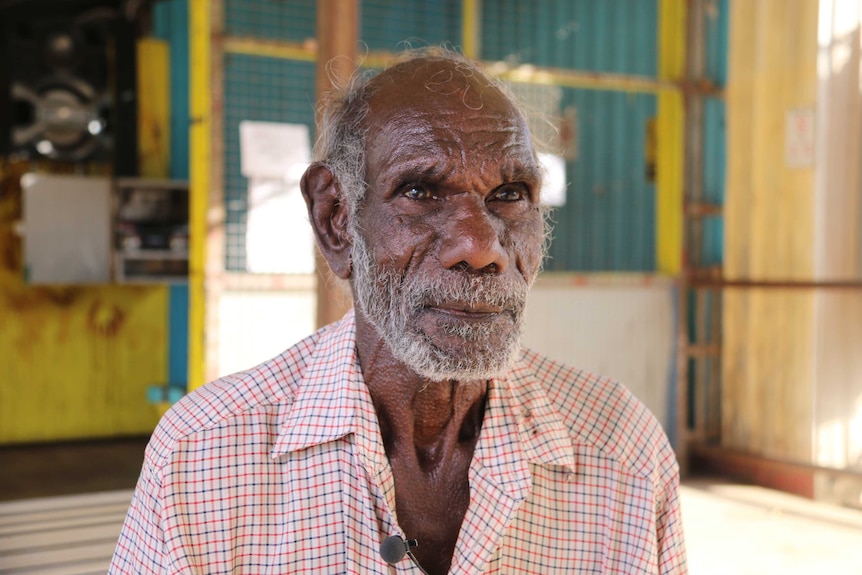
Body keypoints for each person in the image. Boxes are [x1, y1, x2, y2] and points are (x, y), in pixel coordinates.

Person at [109, 47, 687, 575]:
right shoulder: (202, 460)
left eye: (509, 194)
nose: (480, 246)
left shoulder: (622, 456)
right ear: (336, 219)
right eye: (420, 191)